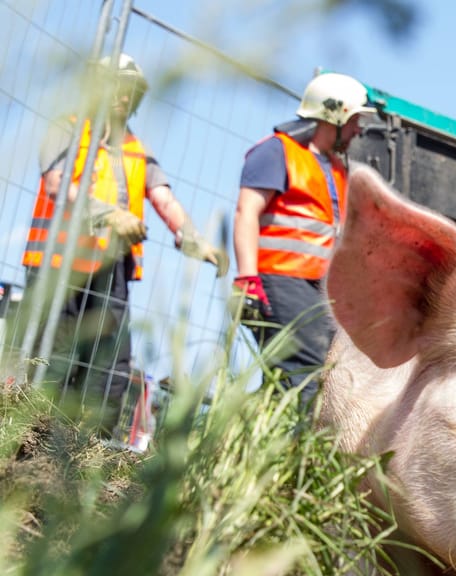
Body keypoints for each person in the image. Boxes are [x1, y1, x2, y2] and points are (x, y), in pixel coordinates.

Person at [21, 52, 227, 438]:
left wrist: (193, 238)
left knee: (110, 364)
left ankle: (92, 447)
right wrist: (108, 213)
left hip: (110, 269)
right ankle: (35, 438)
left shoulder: (136, 148)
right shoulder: (65, 128)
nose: (123, 96)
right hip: (58, 261)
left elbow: (163, 197)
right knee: (56, 353)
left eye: (131, 90)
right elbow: (57, 183)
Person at [231, 72, 374, 403]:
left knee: (313, 371)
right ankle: (294, 451)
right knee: (306, 371)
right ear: (334, 114)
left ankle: (256, 445)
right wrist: (247, 279)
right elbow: (246, 212)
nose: (358, 129)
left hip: (316, 285)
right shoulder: (277, 152)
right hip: (279, 279)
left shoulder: (336, 168)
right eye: (354, 119)